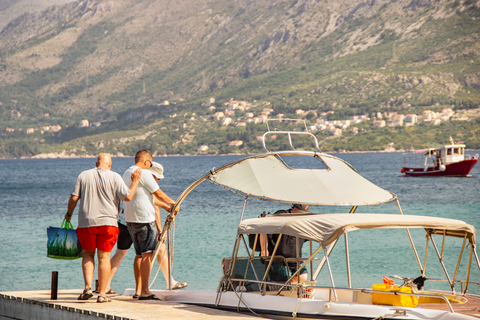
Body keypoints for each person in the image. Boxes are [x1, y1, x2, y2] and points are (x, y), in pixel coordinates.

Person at [64, 153, 142, 303]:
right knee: (104, 256)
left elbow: (74, 198)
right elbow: (128, 197)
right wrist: (135, 182)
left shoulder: (83, 175)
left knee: (87, 254)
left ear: (96, 163)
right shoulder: (115, 177)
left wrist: (68, 214)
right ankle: (102, 294)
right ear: (110, 164)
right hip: (109, 223)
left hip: (87, 222)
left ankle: (87, 288)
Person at [106, 161, 187, 296]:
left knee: (120, 253)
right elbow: (153, 207)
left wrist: (166, 207)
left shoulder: (131, 176)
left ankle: (105, 284)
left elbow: (150, 201)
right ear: (151, 173)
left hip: (124, 220)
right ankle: (166, 283)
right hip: (140, 222)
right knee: (153, 250)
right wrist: (161, 228)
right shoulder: (145, 179)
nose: (158, 180)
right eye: (157, 177)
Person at [123, 149, 176, 300]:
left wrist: (166, 206)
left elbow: (146, 197)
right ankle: (145, 291)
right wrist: (173, 203)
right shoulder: (144, 173)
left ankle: (138, 290)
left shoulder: (127, 172)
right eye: (150, 163)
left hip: (130, 219)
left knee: (139, 255)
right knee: (147, 255)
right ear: (146, 161)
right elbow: (158, 193)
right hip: (144, 219)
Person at [259, 204, 309, 283]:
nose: (303, 216)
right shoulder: (282, 216)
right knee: (281, 279)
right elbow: (264, 230)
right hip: (277, 259)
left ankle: (288, 283)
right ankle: (282, 286)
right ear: (294, 209)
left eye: (305, 214)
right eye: (301, 213)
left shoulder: (303, 222)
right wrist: (263, 250)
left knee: (303, 276)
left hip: (294, 260)